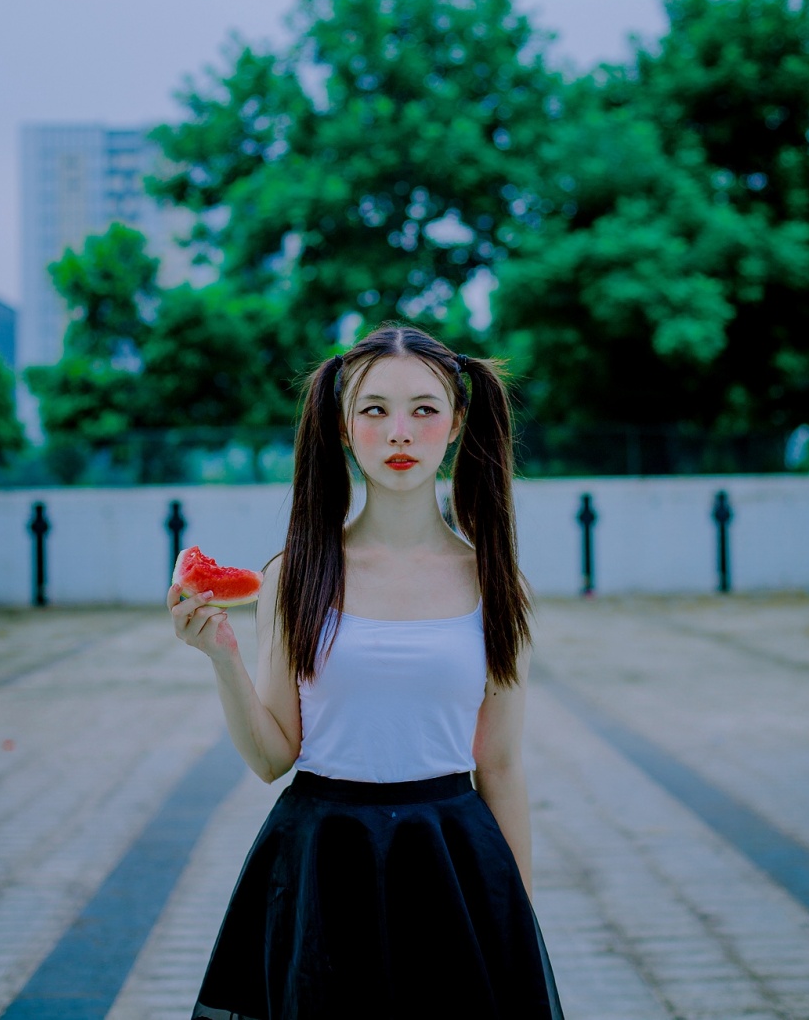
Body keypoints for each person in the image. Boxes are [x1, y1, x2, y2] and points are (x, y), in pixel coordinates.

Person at [168, 322, 565, 1019]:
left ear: (457, 423)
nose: (401, 432)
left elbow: (500, 766)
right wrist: (222, 656)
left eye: (424, 408)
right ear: (345, 429)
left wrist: (515, 922)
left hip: (451, 860)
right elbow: (272, 757)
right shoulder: (295, 575)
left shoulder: (499, 582)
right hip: (324, 862)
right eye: (374, 410)